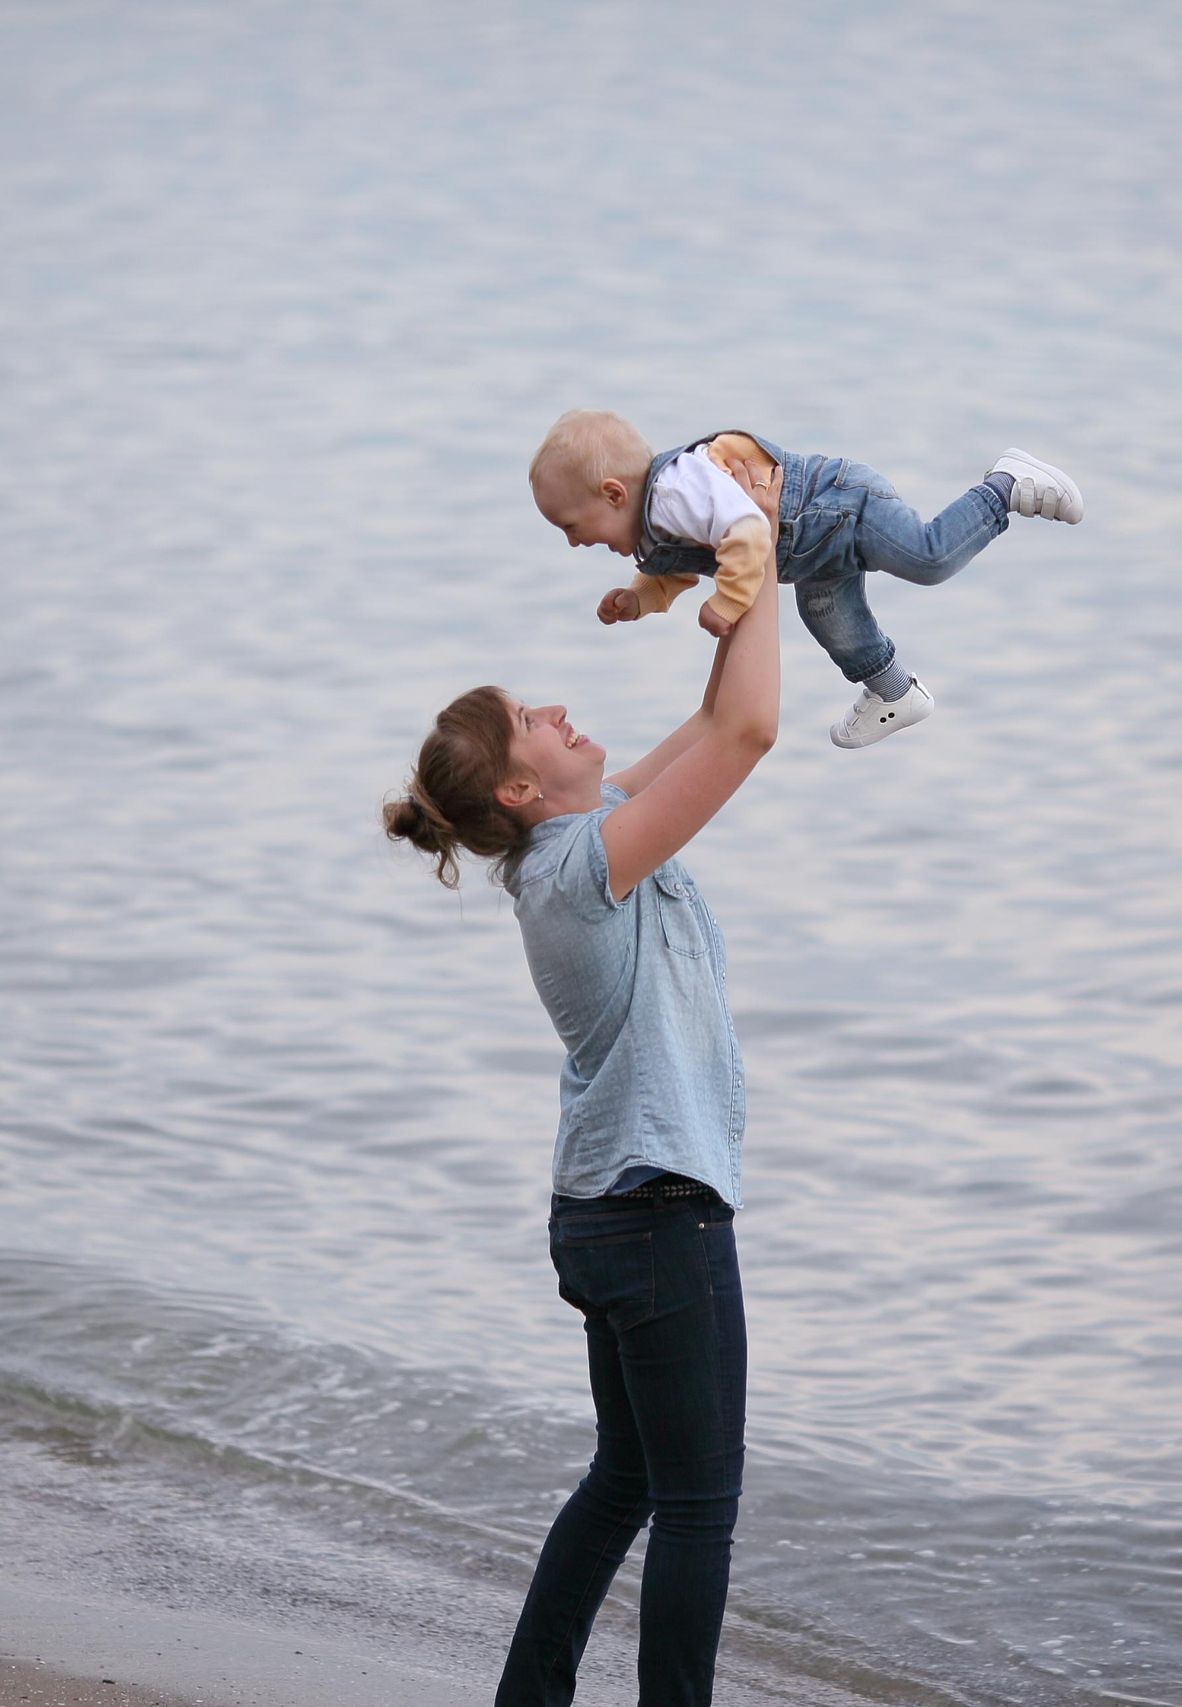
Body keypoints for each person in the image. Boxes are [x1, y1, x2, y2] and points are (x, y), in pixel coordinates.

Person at [382, 532, 783, 1706]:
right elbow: (752, 736)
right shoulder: (579, 867)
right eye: (533, 720)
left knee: (627, 1480)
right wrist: (755, 555)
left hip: (614, 1212)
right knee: (696, 1502)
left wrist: (746, 569)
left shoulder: (582, 833)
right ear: (518, 788)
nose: (560, 708)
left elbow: (717, 730)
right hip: (655, 1214)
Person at [528, 408, 1084, 749]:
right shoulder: (654, 531)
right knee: (827, 616)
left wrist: (728, 602)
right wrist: (638, 597)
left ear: (613, 494)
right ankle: (895, 691)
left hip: (837, 505)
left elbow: (748, 528)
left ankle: (1004, 486)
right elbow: (673, 572)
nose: (574, 541)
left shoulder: (676, 490)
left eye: (571, 525)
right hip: (813, 554)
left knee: (928, 558)